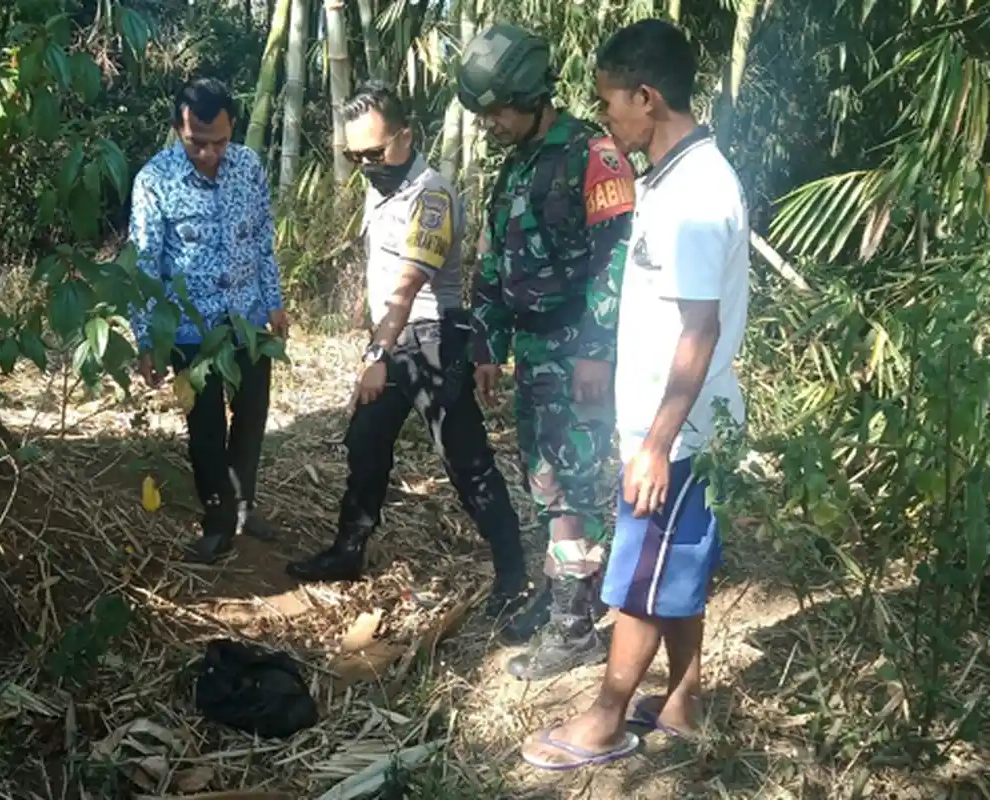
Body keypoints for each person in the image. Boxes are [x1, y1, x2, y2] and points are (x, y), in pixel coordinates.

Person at [520, 19, 750, 769]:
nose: (606, 118)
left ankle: (605, 719)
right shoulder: (673, 177)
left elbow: (700, 332)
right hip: (674, 427)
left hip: (675, 435)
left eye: (611, 102)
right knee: (677, 566)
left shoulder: (694, 195)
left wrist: (653, 444)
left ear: (647, 97)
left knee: (641, 578)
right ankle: (682, 703)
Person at [285, 83, 530, 619]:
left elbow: (408, 285)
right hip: (396, 340)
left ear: (406, 136)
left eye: (376, 152)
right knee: (365, 441)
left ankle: (513, 573)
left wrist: (375, 357)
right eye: (356, 157)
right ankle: (349, 551)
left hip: (433, 340)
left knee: (465, 460)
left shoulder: (430, 194)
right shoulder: (383, 186)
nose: (368, 165)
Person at [456, 24, 635, 679]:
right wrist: (486, 344)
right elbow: (496, 264)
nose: (492, 123)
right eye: (486, 113)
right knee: (547, 484)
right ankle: (567, 596)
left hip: (575, 350)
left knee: (572, 487)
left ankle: (575, 628)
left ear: (533, 96)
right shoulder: (516, 167)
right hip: (532, 350)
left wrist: (596, 351)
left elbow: (617, 258)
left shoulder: (595, 154)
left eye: (499, 109)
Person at [129, 78, 290, 563]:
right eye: (196, 143)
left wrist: (274, 302)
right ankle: (216, 522)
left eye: (218, 142)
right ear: (179, 129)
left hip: (246, 321)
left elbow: (262, 240)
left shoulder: (249, 167)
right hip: (188, 330)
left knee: (252, 415)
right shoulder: (155, 181)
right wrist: (147, 340)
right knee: (204, 426)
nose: (208, 153)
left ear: (232, 128)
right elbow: (144, 266)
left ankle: (244, 505)